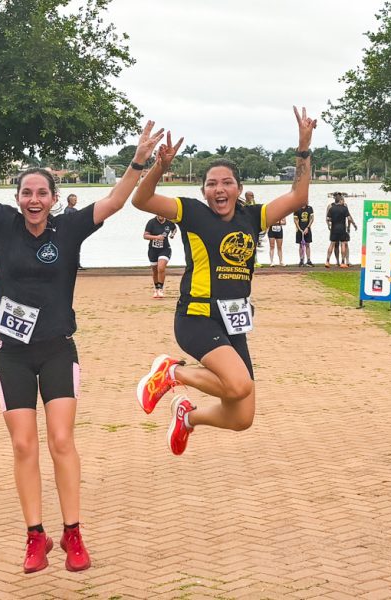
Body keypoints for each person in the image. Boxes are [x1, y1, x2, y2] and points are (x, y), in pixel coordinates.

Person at [0, 112, 163, 574]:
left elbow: (117, 201)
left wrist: (138, 162)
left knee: (61, 438)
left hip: (57, 348)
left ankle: (73, 534)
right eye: (26, 193)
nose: (34, 200)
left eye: (42, 193)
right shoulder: (3, 223)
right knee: (23, 445)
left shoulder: (72, 227)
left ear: (54, 199)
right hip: (11, 353)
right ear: (17, 199)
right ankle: (35, 536)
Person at [131, 106, 316, 456]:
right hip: (197, 317)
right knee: (238, 383)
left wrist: (303, 148)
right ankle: (173, 373)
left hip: (233, 322)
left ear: (238, 188)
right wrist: (159, 168)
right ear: (203, 191)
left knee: (241, 414)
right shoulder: (192, 213)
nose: (220, 188)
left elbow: (298, 198)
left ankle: (188, 417)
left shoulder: (252, 216)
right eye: (212, 183)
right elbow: (141, 200)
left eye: (227, 182)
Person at [143, 215, 176, 298]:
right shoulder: (151, 222)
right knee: (155, 271)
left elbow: (174, 228)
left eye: (162, 213)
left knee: (161, 268)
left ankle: (160, 289)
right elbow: (145, 236)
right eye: (158, 213)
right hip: (153, 250)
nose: (160, 215)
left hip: (165, 249)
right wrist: (156, 237)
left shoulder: (169, 222)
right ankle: (156, 289)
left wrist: (172, 234)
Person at [63, 194, 85, 270]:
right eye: (74, 200)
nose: (76, 201)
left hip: (75, 233)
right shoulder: (67, 210)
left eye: (76, 200)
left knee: (76, 250)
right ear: (69, 201)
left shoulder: (74, 210)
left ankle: (77, 264)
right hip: (70, 233)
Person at [294, 198, 314, 267]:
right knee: (300, 245)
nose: (307, 202)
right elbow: (296, 220)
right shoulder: (297, 208)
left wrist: (307, 228)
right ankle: (301, 260)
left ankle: (308, 260)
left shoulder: (310, 208)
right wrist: (300, 229)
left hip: (307, 229)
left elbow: (312, 219)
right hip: (300, 230)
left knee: (307, 244)